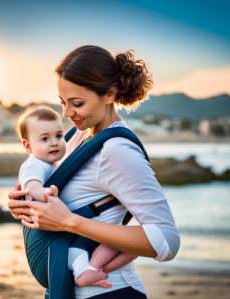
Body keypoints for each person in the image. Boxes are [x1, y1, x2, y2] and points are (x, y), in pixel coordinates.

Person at [8, 45, 181, 299]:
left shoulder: (117, 151)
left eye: (77, 103)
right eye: (63, 102)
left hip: (109, 292)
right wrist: (24, 203)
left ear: (110, 94)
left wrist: (69, 221)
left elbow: (167, 241)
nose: (66, 113)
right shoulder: (76, 136)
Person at [16, 106, 140, 289]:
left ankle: (91, 269)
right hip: (61, 241)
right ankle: (88, 270)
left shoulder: (52, 165)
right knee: (128, 244)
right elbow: (31, 185)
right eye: (45, 139)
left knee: (125, 246)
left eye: (58, 136)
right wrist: (44, 193)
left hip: (68, 238)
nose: (54, 143)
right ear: (27, 146)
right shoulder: (35, 165)